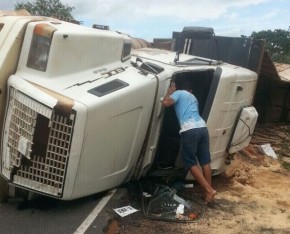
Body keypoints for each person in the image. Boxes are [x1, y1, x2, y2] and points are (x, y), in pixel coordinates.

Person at [162, 80, 217, 203]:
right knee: (205, 161)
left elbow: (165, 103)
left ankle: (209, 190)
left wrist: (169, 92)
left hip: (190, 130)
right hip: (202, 128)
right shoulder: (194, 98)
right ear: (190, 90)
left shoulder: (179, 93)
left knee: (190, 163)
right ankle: (208, 193)